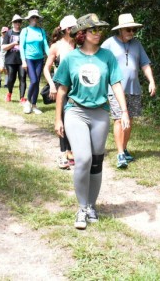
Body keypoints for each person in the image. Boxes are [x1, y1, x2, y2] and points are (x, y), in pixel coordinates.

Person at [53, 13, 129, 230]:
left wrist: (123, 111)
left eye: (99, 30)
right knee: (83, 159)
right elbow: (62, 90)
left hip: (100, 113)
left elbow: (115, 85)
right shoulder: (70, 58)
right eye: (93, 30)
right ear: (82, 33)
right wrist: (58, 118)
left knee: (96, 162)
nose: (98, 33)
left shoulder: (107, 57)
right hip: (76, 111)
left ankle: (91, 206)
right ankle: (82, 207)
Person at [102, 13, 156, 169]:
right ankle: (120, 153)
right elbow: (98, 61)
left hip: (134, 88)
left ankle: (124, 148)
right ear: (120, 30)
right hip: (115, 89)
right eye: (128, 30)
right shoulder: (109, 44)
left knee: (129, 120)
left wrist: (151, 81)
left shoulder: (137, 45)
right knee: (119, 119)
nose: (131, 33)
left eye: (133, 30)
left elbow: (145, 64)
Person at [44, 14, 77, 170]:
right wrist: (51, 85)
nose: (75, 30)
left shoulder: (79, 44)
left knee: (74, 119)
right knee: (63, 118)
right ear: (65, 30)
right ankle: (63, 152)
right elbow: (46, 68)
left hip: (76, 86)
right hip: (60, 85)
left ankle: (71, 151)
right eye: (72, 28)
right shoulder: (56, 46)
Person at [19, 9, 49, 114]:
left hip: (40, 59)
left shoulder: (41, 31)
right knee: (34, 81)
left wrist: (50, 57)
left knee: (36, 83)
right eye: (32, 17)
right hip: (29, 59)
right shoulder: (25, 30)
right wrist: (23, 61)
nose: (34, 19)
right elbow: (21, 47)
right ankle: (27, 102)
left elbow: (45, 45)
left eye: (36, 17)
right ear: (29, 19)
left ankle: (34, 105)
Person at [2, 14, 25, 103]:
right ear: (12, 23)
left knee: (22, 77)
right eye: (16, 21)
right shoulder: (8, 33)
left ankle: (22, 97)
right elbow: (3, 47)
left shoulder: (24, 32)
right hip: (10, 59)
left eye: (19, 21)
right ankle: (9, 93)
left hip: (21, 59)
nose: (17, 23)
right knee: (11, 77)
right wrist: (14, 43)